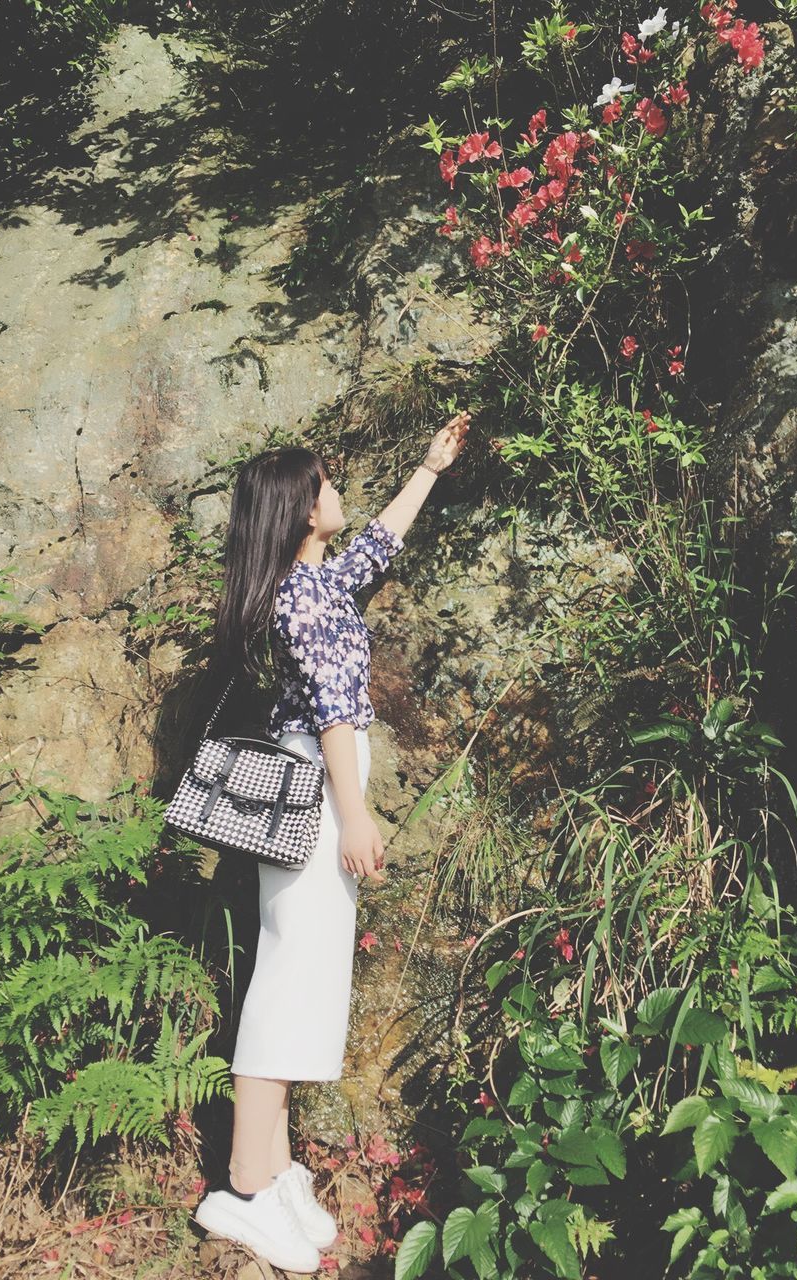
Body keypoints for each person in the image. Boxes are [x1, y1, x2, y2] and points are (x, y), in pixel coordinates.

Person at [193, 410, 471, 1272]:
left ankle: (272, 1174)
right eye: (326, 482)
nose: (339, 490)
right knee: (286, 983)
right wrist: (354, 813)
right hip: (317, 793)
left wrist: (429, 469)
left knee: (297, 973)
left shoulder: (306, 584)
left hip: (305, 788)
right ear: (303, 507)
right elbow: (338, 713)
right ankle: (240, 1190)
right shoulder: (304, 598)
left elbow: (374, 548)